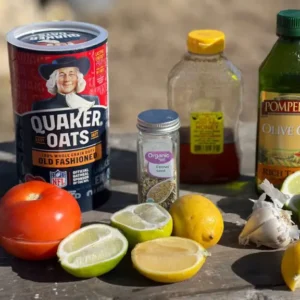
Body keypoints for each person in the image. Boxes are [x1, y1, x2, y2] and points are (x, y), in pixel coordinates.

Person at [32, 56, 99, 111]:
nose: (67, 79)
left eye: (71, 74)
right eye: (61, 75)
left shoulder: (93, 101)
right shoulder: (41, 106)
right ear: (54, 80)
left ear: (78, 78)